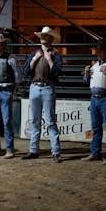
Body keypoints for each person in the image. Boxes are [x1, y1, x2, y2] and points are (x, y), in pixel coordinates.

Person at [23, 26, 63, 162]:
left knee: (50, 121)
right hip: (35, 87)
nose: (43, 39)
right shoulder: (34, 54)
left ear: (50, 39)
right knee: (35, 120)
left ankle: (55, 151)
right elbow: (26, 72)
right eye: (42, 36)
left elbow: (57, 73)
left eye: (45, 36)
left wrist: (49, 60)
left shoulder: (56, 55)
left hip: (46, 87)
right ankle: (34, 150)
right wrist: (34, 60)